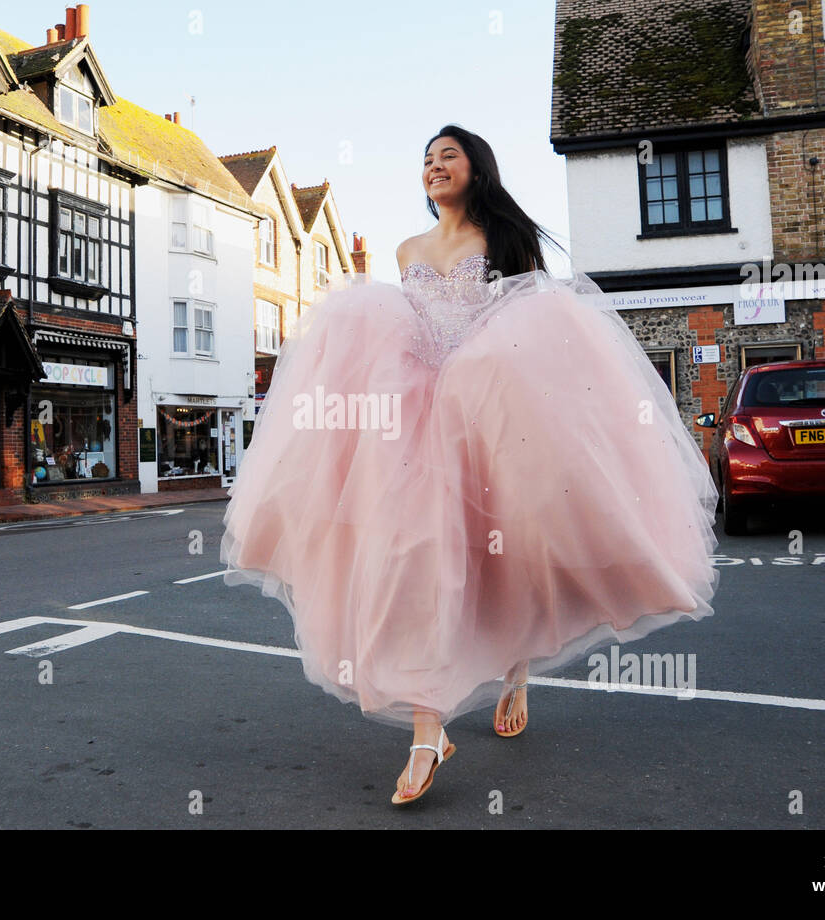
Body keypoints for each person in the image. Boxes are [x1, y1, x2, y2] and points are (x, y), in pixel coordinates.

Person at [219, 124, 721, 805]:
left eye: (447, 156)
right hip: (420, 420)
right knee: (419, 559)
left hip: (494, 410)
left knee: (512, 551)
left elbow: (531, 327)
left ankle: (515, 670)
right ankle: (429, 730)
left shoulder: (506, 240)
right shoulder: (408, 250)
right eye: (425, 159)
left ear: (476, 169)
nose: (433, 167)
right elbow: (411, 328)